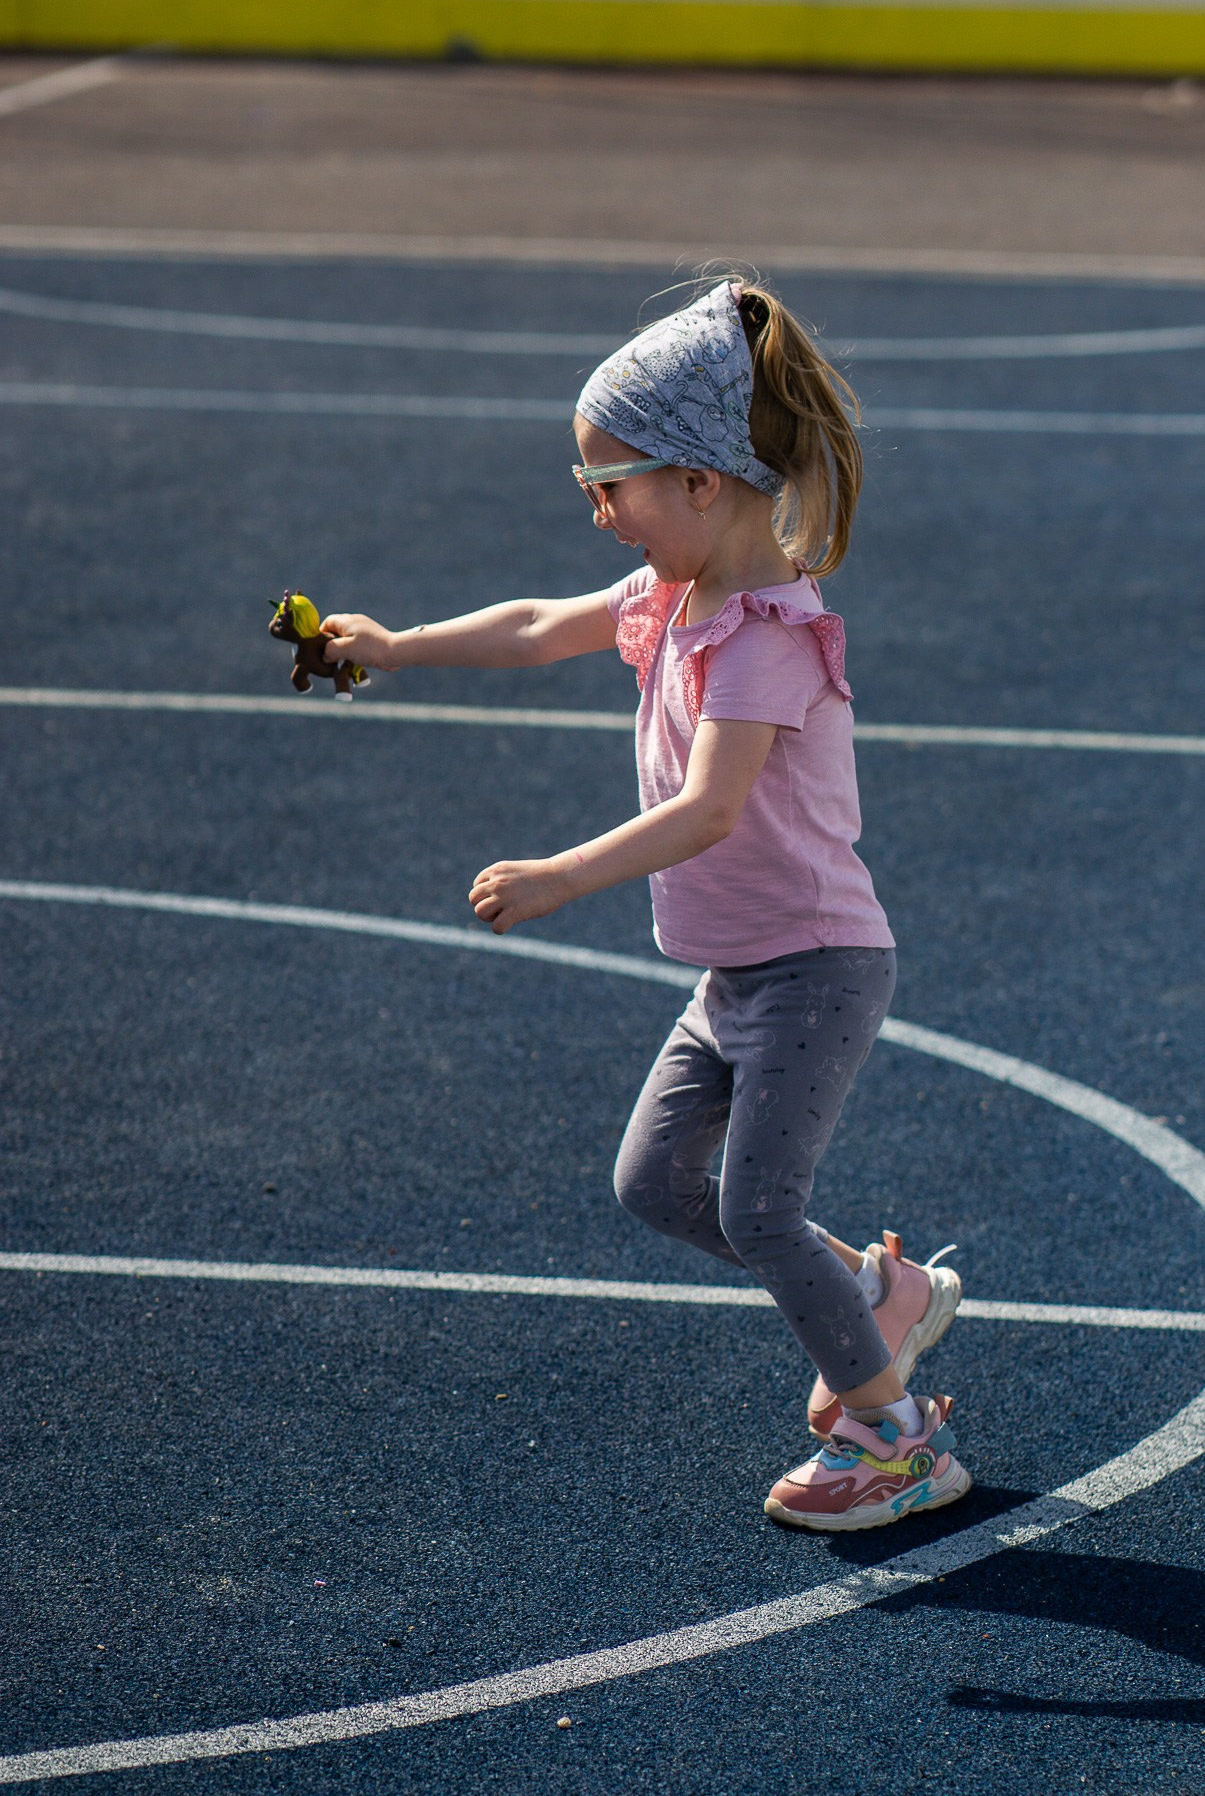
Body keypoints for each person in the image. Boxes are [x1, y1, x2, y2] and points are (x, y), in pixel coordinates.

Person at [319, 278, 969, 1530]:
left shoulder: (766, 635)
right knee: (654, 1185)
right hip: (736, 971)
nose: (597, 513)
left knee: (755, 1208)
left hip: (816, 965)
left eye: (606, 486)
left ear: (700, 484)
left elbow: (712, 808)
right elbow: (527, 626)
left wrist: (562, 874)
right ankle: (876, 1297)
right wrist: (396, 646)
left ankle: (897, 1438)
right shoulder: (669, 601)